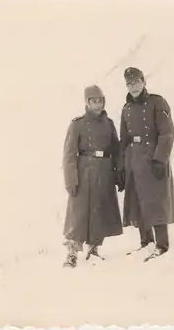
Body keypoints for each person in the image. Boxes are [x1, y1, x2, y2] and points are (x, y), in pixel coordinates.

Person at [117, 67, 174, 262]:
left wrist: (161, 159)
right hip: (134, 160)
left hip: (153, 159)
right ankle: (146, 242)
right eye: (129, 83)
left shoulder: (157, 102)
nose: (133, 86)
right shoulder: (126, 109)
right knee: (138, 201)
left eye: (136, 82)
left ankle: (161, 245)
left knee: (156, 201)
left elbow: (167, 133)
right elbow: (123, 140)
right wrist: (122, 168)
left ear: (144, 82)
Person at [61, 84, 124, 268]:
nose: (97, 105)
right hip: (84, 171)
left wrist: (119, 173)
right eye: (94, 101)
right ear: (87, 103)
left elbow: (116, 149)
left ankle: (94, 248)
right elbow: (69, 154)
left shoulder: (109, 124)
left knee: (100, 210)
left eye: (100, 101)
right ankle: (72, 253)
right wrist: (70, 179)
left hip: (104, 171)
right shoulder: (77, 124)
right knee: (78, 214)